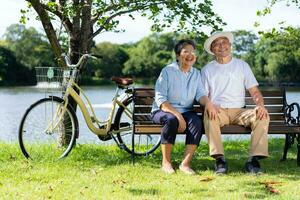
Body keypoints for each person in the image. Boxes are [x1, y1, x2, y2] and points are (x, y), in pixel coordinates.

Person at [201, 31, 269, 174]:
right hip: (218, 111)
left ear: (230, 45)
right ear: (212, 50)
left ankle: (253, 160)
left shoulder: (242, 65)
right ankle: (220, 160)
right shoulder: (207, 69)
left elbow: (255, 92)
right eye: (216, 44)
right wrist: (209, 104)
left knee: (262, 115)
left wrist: (260, 106)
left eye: (224, 42)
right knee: (209, 114)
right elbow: (203, 95)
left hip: (240, 112)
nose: (221, 46)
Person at [151, 39, 214, 175]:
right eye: (186, 51)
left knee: (196, 121)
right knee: (171, 120)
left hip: (186, 111)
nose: (190, 55)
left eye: (193, 52)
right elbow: (161, 99)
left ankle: (185, 164)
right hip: (163, 110)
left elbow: (200, 94)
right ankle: (166, 163)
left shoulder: (196, 73)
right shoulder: (167, 71)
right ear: (178, 55)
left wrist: (208, 103)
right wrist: (178, 116)